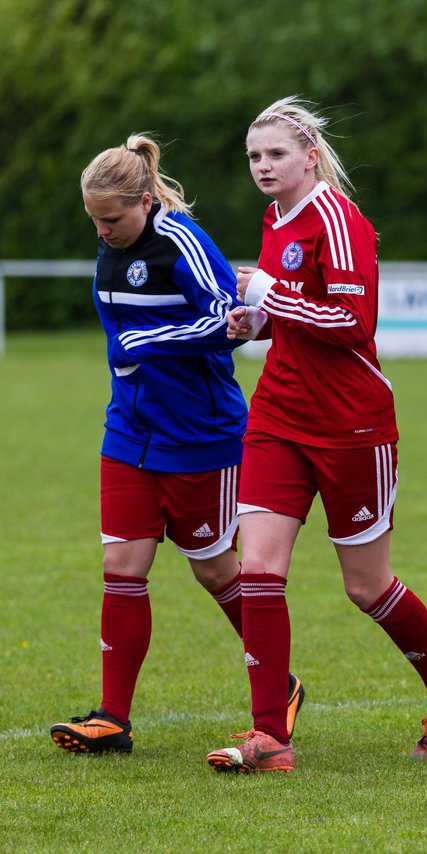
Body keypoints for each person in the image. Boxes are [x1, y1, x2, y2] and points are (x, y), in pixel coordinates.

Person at [206, 98, 427, 774]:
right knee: (261, 569)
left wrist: (273, 296)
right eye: (253, 157)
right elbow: (295, 310)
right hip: (277, 416)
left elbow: (355, 322)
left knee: (367, 586)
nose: (263, 167)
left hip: (351, 423)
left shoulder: (340, 219)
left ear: (309, 157)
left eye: (274, 154)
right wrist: (256, 323)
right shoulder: (275, 218)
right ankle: (270, 736)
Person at [50, 135, 307, 754]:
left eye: (111, 219)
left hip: (201, 436)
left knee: (215, 570)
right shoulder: (109, 246)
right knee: (121, 567)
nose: (102, 232)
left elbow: (230, 321)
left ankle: (282, 686)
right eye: (93, 220)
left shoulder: (182, 241)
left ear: (143, 201)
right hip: (129, 432)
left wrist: (151, 341)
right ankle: (113, 719)